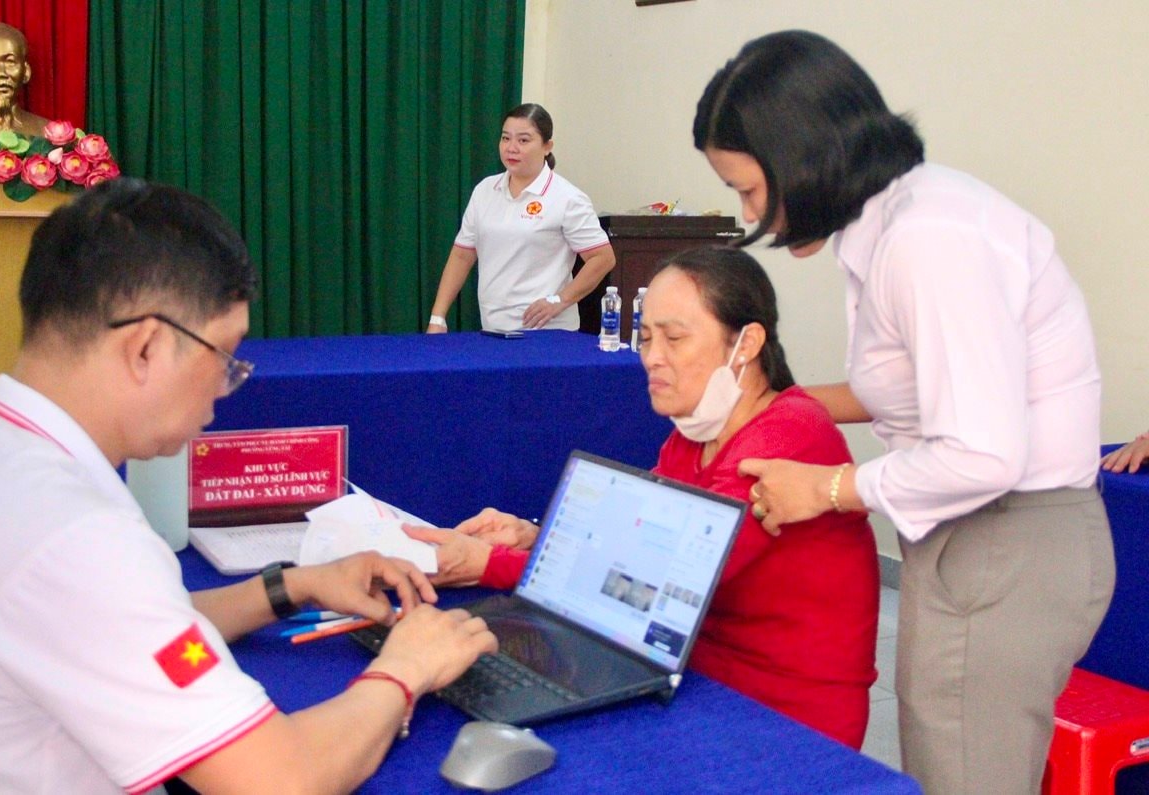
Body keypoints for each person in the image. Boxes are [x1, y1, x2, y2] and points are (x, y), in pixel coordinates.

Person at [0, 178, 496, 793]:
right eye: (224, 356)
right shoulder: (73, 532)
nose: (227, 386)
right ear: (145, 347)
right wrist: (405, 669)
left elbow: (110, 629)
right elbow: (279, 780)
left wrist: (290, 588)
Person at [690, 30, 1114, 794]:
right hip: (987, 538)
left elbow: (984, 451)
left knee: (962, 777)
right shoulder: (898, 222)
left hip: (1009, 537)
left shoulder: (927, 239)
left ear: (806, 158)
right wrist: (763, 401)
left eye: (750, 191)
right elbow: (925, 389)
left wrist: (822, 489)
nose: (753, 214)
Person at [408, 247, 881, 749]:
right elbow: (627, 542)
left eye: (674, 338)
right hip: (690, 677)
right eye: (647, 337)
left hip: (782, 716)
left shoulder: (789, 436)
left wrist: (488, 563)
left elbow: (647, 587)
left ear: (746, 344)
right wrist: (535, 538)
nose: (651, 357)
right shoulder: (692, 436)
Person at [425, 103, 616, 333]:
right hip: (493, 328)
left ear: (547, 147)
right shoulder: (485, 190)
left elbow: (602, 258)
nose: (511, 148)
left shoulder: (567, 197)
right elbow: (462, 255)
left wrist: (560, 300)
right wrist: (438, 317)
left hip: (548, 332)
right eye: (506, 139)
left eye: (523, 140)